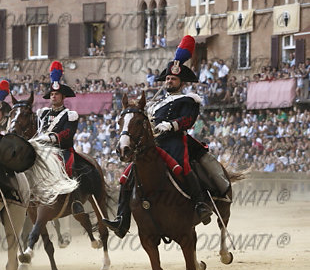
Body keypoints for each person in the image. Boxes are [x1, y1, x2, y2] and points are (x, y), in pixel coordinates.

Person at [103, 35, 214, 238]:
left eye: (173, 79)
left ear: (181, 82)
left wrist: (170, 125)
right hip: (154, 144)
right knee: (126, 177)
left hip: (174, 142)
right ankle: (121, 220)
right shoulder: (156, 103)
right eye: (168, 79)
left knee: (185, 167)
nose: (169, 81)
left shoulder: (189, 99)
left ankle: (199, 204)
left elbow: (189, 121)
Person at [35, 61, 89, 215]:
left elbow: (67, 133)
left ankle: (76, 200)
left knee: (68, 166)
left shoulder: (69, 115)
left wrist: (51, 138)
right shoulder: (43, 113)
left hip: (62, 149)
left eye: (56, 94)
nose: (53, 96)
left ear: (63, 96)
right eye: (51, 94)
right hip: (42, 149)